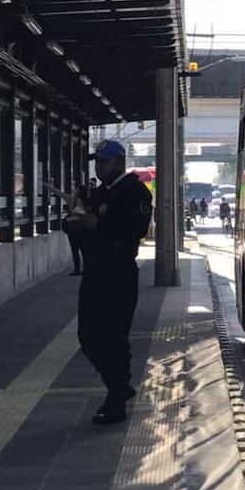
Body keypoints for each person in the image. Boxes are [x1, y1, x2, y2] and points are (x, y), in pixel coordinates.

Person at [66, 140, 152, 425]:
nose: (99, 167)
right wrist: (75, 221)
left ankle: (116, 400)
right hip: (94, 273)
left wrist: (98, 224)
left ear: (119, 162)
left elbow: (136, 230)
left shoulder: (135, 192)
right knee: (88, 337)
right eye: (97, 162)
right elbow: (81, 228)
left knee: (115, 338)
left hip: (118, 274)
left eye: (104, 162)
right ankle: (119, 387)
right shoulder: (98, 193)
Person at [62, 183, 90, 275]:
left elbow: (58, 193)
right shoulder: (88, 201)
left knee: (75, 250)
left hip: (73, 228)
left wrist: (46, 185)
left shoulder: (72, 200)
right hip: (83, 228)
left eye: (76, 189)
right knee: (85, 251)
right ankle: (86, 269)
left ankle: (77, 269)